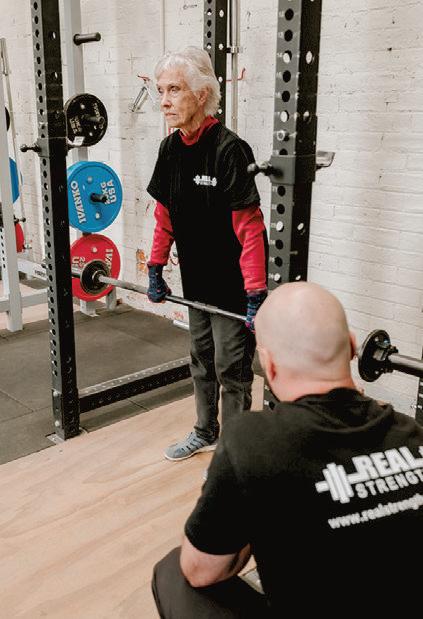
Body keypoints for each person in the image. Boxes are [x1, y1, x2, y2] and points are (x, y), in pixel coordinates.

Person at [152, 282, 423, 617]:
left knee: (172, 572)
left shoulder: (251, 441)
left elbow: (201, 570)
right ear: (353, 346)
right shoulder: (413, 433)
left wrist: (248, 495)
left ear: (269, 365)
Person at [146, 46, 268, 461]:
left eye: (174, 90)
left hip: (232, 289)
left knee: (231, 369)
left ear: (201, 95)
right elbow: (164, 217)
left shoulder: (230, 150)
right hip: (196, 283)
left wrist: (255, 293)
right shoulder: (169, 149)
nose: (164, 101)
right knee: (200, 361)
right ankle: (204, 431)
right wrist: (155, 267)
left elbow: (250, 229)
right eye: (161, 90)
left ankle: (233, 454)